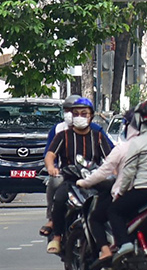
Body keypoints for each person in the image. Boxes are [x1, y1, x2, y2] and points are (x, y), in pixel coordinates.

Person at [78, 99, 147, 261]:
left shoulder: (136, 143)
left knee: (114, 210)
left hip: (144, 190)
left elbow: (129, 173)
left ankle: (124, 244)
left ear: (140, 120)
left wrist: (120, 193)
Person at [41, 96, 113, 253]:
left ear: (91, 116)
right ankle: (57, 237)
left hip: (94, 179)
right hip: (71, 180)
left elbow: (111, 158)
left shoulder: (98, 136)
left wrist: (115, 172)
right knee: (59, 200)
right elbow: (50, 155)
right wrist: (51, 167)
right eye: (76, 113)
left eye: (84, 113)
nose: (80, 117)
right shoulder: (63, 136)